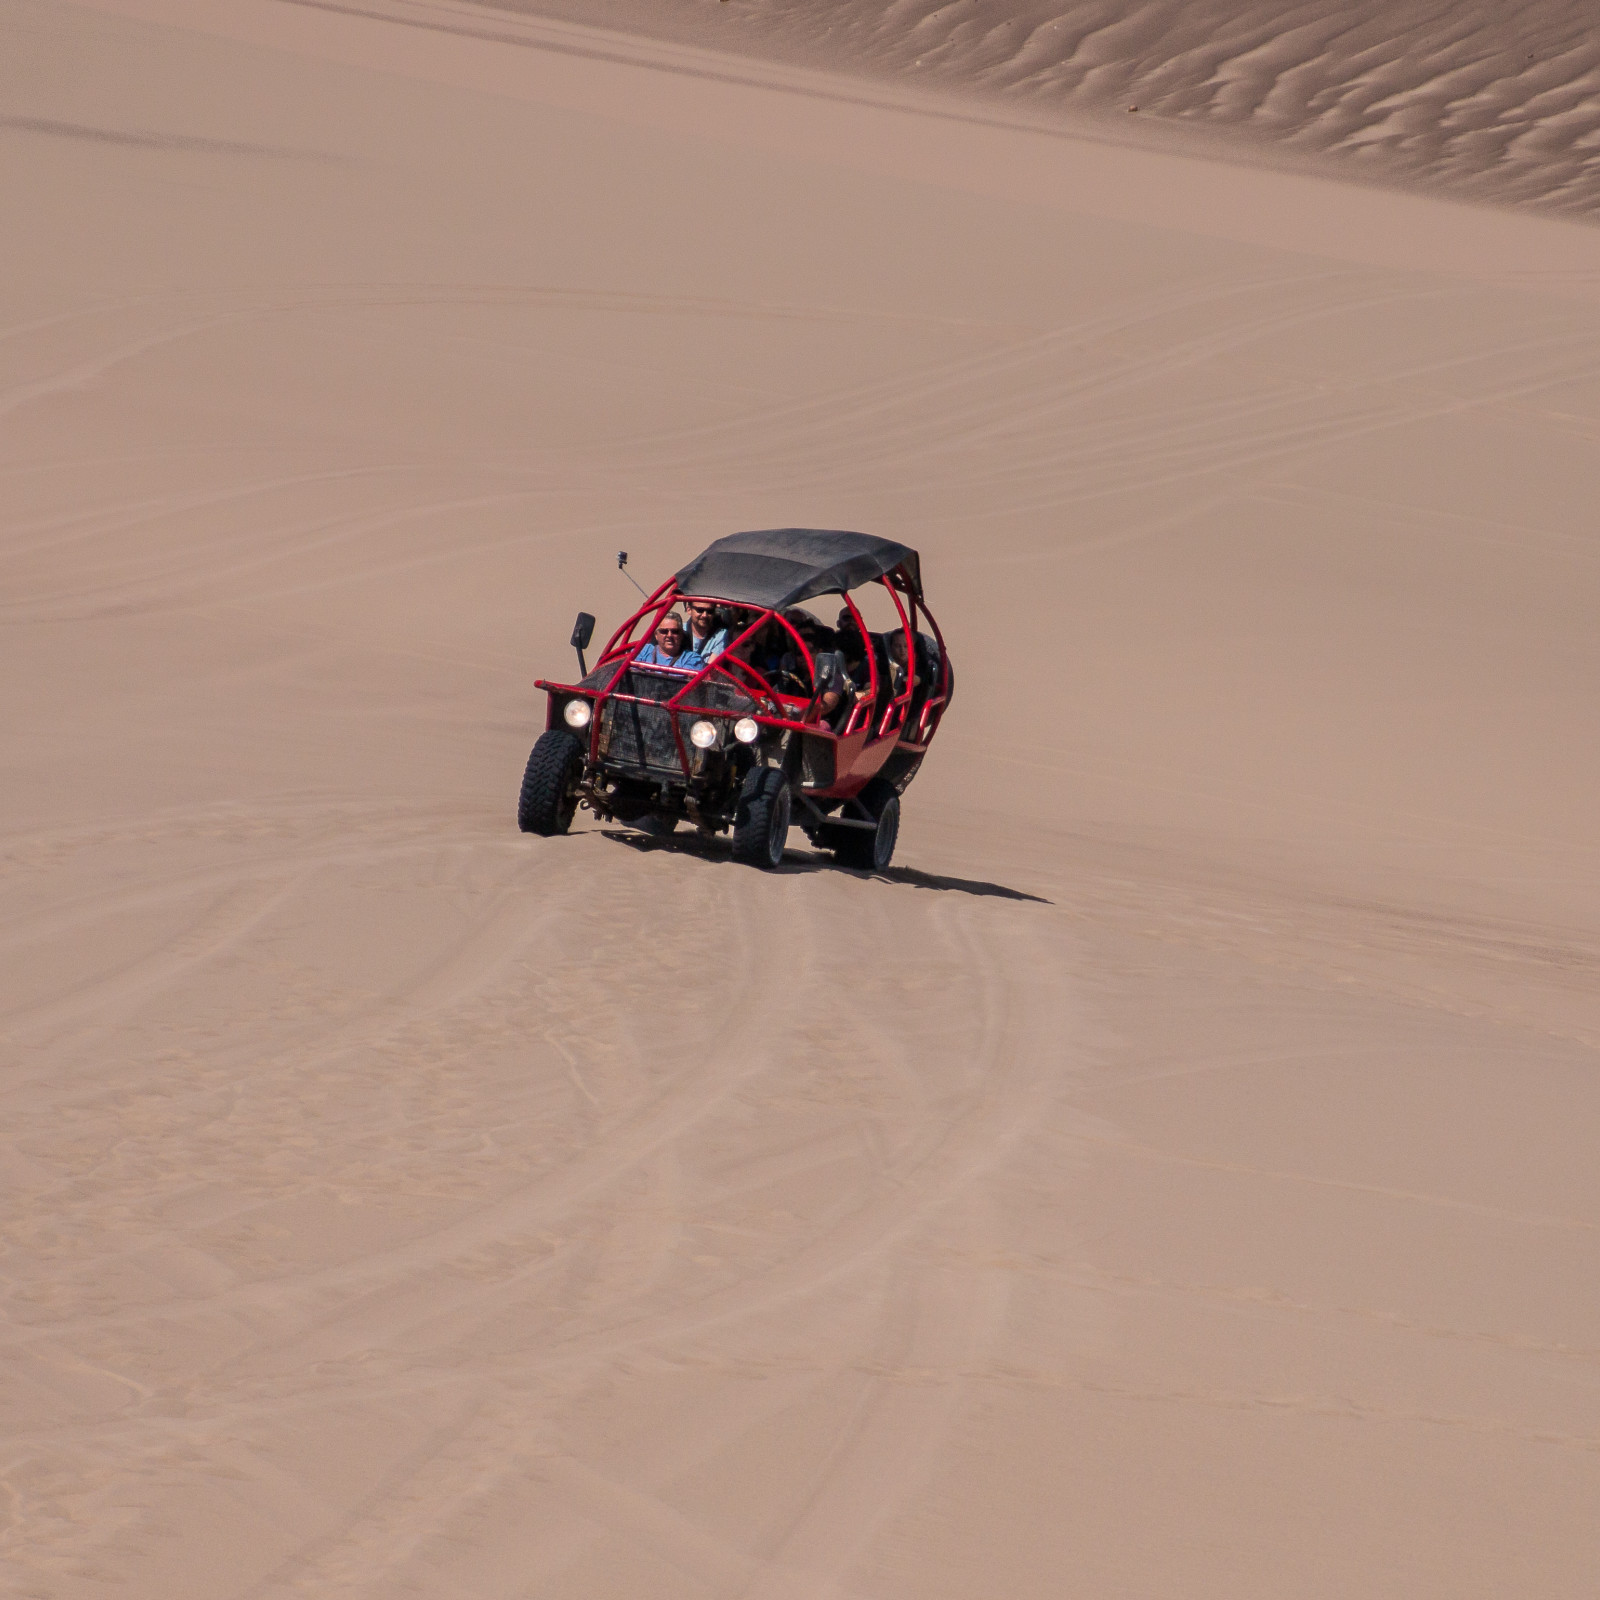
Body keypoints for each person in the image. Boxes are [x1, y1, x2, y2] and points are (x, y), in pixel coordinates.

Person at [635, 615, 705, 668]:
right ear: (656, 635)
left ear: (681, 635)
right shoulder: (643, 651)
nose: (669, 635)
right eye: (664, 631)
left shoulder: (692, 659)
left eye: (675, 632)